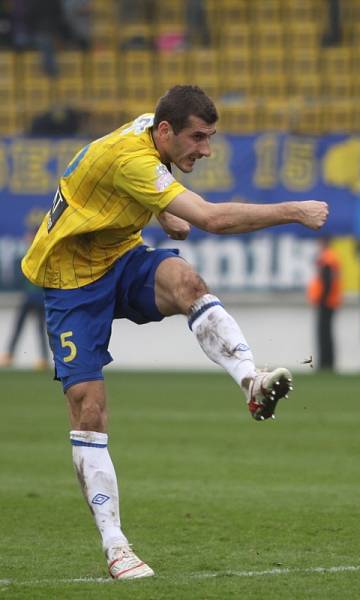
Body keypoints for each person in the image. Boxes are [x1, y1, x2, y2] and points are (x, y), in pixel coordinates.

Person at [20, 85, 328, 579]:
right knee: (89, 410)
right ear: (166, 131)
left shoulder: (149, 128)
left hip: (119, 257)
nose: (205, 150)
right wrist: (294, 211)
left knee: (188, 282)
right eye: (198, 138)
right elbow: (211, 218)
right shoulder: (131, 159)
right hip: (70, 281)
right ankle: (116, 545)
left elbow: (137, 178)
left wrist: (162, 210)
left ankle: (251, 381)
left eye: (209, 138)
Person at [1, 215, 49, 370]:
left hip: (38, 297)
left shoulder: (39, 254)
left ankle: (43, 358)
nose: (27, 237)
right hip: (29, 297)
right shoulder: (27, 254)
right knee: (19, 326)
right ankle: (9, 355)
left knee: (40, 329)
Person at [306, 236, 342, 370]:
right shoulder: (332, 257)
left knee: (323, 334)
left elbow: (327, 282)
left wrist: (322, 299)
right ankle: (328, 362)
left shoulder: (326, 258)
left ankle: (325, 363)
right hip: (331, 301)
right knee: (327, 333)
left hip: (326, 301)